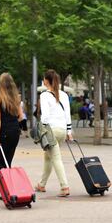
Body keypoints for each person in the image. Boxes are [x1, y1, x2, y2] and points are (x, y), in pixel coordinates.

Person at [35, 69, 73, 197]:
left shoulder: (44, 95)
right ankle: (41, 184)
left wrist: (42, 127)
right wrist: (69, 131)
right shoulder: (64, 95)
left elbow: (45, 115)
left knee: (55, 158)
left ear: (46, 81)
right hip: (62, 130)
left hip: (51, 130)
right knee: (48, 157)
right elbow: (67, 114)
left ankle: (64, 187)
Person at [0, 73, 24, 173]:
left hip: (3, 132)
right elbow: (21, 117)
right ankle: (8, 184)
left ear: (0, 85)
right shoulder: (16, 98)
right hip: (14, 132)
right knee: (6, 162)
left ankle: (5, 184)